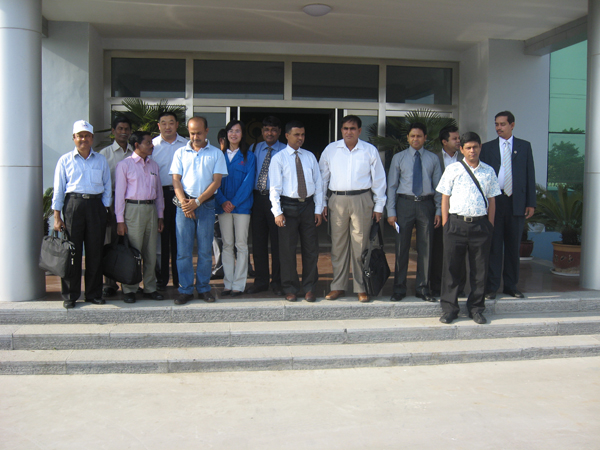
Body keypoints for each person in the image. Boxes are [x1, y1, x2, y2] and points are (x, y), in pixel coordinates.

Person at [319, 115, 386, 303]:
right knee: (338, 246)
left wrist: (379, 205)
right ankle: (338, 286)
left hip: (362, 199)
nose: (349, 132)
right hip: (338, 199)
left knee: (360, 245)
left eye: (353, 128)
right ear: (341, 130)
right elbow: (322, 179)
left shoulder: (369, 150)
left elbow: (379, 180)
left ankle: (361, 287)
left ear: (359, 130)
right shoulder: (331, 150)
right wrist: (322, 203)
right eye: (346, 128)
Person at [436, 132, 501, 324]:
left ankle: (476, 309)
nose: (472, 151)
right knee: (451, 269)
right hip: (455, 224)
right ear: (462, 149)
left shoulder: (489, 171)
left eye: (475, 147)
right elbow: (445, 197)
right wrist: (446, 223)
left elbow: (492, 200)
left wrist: (490, 225)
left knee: (479, 270)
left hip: (480, 226)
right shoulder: (453, 169)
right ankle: (450, 309)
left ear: (480, 147)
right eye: (468, 147)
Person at [52, 120, 111, 309]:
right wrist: (57, 216)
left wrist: (104, 209)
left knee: (95, 252)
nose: (83, 139)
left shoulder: (101, 160)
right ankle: (70, 295)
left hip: (95, 206)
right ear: (74, 138)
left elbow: (107, 186)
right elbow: (59, 190)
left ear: (92, 138)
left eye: (86, 136)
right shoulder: (65, 160)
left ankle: (93, 294)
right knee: (72, 253)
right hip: (73, 206)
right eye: (79, 136)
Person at [170, 116, 228, 305]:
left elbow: (216, 182)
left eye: (199, 133)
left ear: (207, 131)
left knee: (204, 251)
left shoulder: (216, 153)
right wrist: (184, 203)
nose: (195, 137)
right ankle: (185, 290)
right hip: (184, 206)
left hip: (206, 206)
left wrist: (197, 202)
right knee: (183, 252)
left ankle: (203, 288)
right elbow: (176, 180)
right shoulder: (180, 152)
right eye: (192, 133)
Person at [480, 111, 536, 299]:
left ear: (512, 125)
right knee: (494, 246)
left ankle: (511, 286)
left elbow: (530, 175)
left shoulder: (524, 146)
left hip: (516, 202)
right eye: (496, 124)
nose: (499, 128)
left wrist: (530, 203)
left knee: (513, 247)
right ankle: (492, 287)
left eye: (502, 124)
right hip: (495, 202)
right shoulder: (487, 148)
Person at [386, 122, 442, 302]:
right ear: (408, 138)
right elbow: (392, 186)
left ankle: (423, 288)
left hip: (426, 205)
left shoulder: (433, 159)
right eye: (412, 136)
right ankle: (399, 288)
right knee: (401, 247)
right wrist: (391, 211)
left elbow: (439, 187)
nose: (415, 139)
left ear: (425, 138)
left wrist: (439, 210)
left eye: (419, 136)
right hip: (405, 204)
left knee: (426, 248)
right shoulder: (399, 158)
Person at [269, 121, 323, 302]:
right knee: (287, 250)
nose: (300, 138)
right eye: (296, 134)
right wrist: (277, 212)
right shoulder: (279, 158)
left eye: (303, 134)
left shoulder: (310, 157)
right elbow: (274, 188)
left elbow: (318, 184)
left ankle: (309, 288)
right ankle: (290, 288)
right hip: (288, 206)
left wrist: (318, 209)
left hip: (308, 206)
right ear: (287, 136)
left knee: (311, 249)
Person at [114, 131, 165, 303]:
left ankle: (150, 287)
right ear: (137, 145)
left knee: (151, 252)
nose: (152, 145)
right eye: (148, 142)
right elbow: (119, 195)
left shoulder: (154, 166)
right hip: (133, 210)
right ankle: (130, 289)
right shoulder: (124, 165)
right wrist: (120, 220)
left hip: (151, 209)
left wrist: (160, 215)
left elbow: (159, 193)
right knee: (133, 252)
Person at [215, 120, 256, 297]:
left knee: (241, 245)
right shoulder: (218, 156)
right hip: (223, 207)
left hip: (242, 208)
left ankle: (239, 284)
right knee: (227, 244)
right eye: (231, 131)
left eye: (237, 131)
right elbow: (214, 182)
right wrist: (223, 201)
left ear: (242, 134)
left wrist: (234, 202)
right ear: (226, 134)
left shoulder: (249, 157)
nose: (234, 134)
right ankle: (228, 283)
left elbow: (248, 183)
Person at [246, 116, 286, 296]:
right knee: (258, 242)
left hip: (277, 200)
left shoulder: (285, 150)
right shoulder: (253, 149)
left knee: (278, 243)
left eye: (274, 130)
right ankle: (261, 281)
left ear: (279, 132)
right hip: (257, 199)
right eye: (267, 129)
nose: (270, 133)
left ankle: (277, 282)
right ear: (262, 131)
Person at [152, 111, 188, 290]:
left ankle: (179, 278)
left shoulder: (186, 144)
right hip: (160, 195)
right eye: (164, 123)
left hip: (181, 195)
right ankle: (161, 279)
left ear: (177, 125)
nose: (168, 127)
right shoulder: (152, 146)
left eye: (171, 123)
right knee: (161, 239)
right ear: (159, 126)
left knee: (180, 238)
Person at [99, 116, 133, 297]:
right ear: (113, 131)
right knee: (111, 242)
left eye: (126, 129)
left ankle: (130, 282)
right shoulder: (104, 154)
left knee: (131, 243)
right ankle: (110, 284)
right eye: (120, 129)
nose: (123, 132)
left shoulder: (135, 152)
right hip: (111, 201)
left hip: (132, 203)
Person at [430, 125, 465, 297]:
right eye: (454, 139)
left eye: (459, 138)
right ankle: (437, 286)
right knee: (439, 251)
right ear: (444, 141)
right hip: (439, 210)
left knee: (460, 251)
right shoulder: (434, 158)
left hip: (461, 211)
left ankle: (459, 287)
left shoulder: (465, 158)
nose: (458, 141)